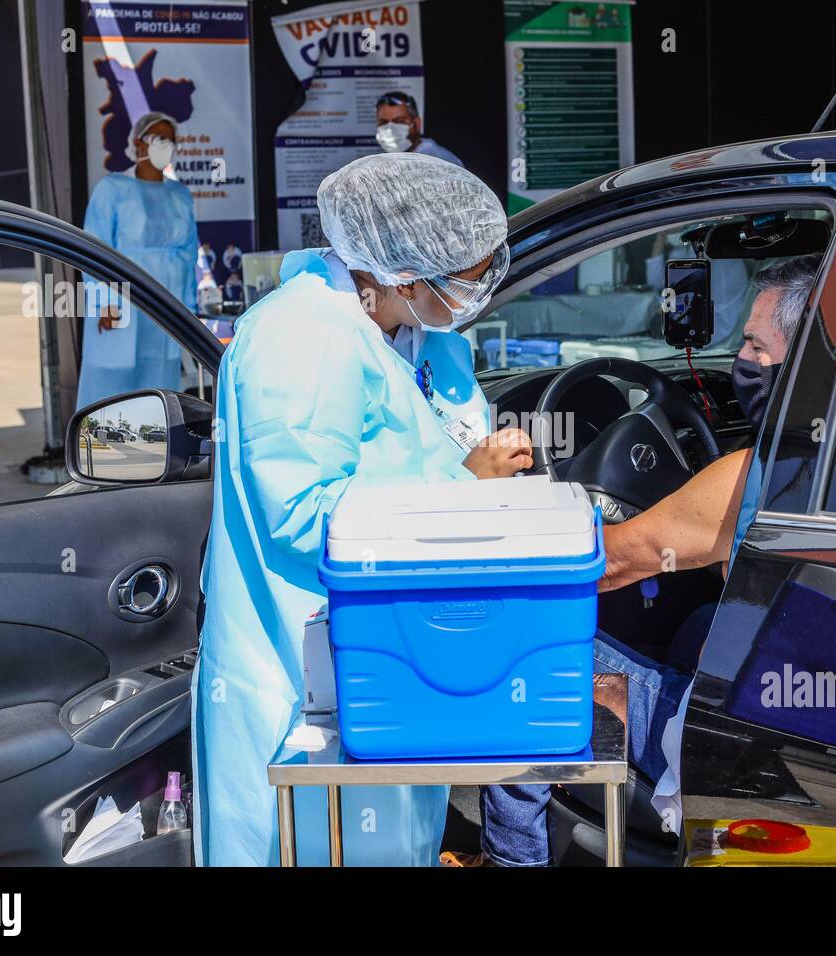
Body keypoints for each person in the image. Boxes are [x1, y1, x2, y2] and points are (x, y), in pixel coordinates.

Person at [193, 151, 532, 867]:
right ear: (401, 273)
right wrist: (464, 488)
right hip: (303, 675)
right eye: (467, 281)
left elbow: (444, 431)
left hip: (392, 662)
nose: (476, 297)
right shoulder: (300, 337)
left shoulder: (420, 331)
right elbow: (302, 512)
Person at [443, 255, 822, 867]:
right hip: (809, 720)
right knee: (699, 625)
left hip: (742, 745)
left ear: (802, 360)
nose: (743, 362)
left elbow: (609, 562)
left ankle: (513, 858)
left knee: (526, 659)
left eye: (754, 344)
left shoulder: (754, 476)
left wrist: (499, 507)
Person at [77, 111, 196, 410]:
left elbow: (188, 253)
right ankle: (99, 446)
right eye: (158, 138)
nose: (165, 145)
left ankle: (155, 447)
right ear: (138, 144)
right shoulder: (112, 189)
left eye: (170, 139)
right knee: (113, 379)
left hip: (166, 301)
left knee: (158, 379)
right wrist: (102, 301)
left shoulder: (181, 195)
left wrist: (188, 311)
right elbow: (93, 248)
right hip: (121, 300)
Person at [375, 91, 464, 167]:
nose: (390, 129)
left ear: (417, 123)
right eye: (383, 122)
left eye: (399, 121)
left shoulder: (441, 162)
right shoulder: (379, 162)